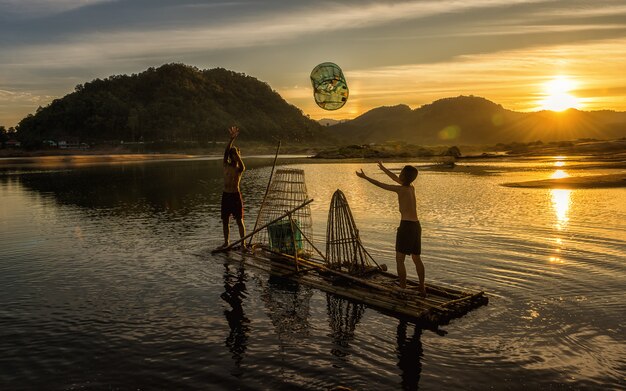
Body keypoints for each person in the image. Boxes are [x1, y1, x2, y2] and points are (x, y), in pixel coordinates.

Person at [356, 162, 425, 297]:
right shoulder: (411, 187)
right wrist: (383, 168)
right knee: (417, 258)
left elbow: (380, 185)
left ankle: (403, 288)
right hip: (416, 225)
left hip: (406, 226)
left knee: (400, 259)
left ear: (404, 176)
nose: (399, 174)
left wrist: (365, 177)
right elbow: (394, 178)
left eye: (401, 172)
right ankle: (422, 287)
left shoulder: (401, 189)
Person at [220, 126, 246, 249]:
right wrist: (231, 140)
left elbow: (243, 166)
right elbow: (226, 153)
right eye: (232, 155)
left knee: (239, 220)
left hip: (235, 195)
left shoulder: (239, 169)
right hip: (226, 195)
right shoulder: (226, 165)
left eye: (235, 155)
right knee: (225, 221)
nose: (233, 156)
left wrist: (237, 154)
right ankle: (227, 242)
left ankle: (243, 244)